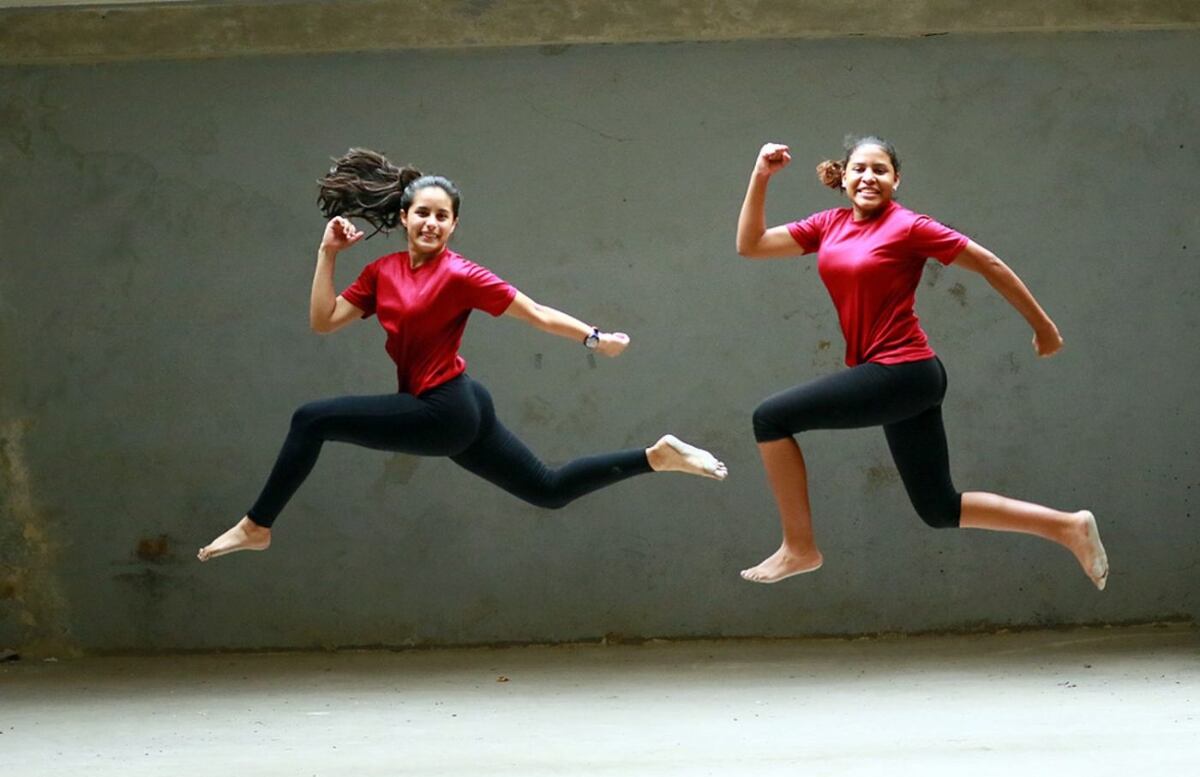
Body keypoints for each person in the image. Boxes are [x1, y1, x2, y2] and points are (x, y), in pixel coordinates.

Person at [198, 148, 726, 561]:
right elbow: (324, 320)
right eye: (422, 213)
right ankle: (656, 457)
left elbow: (535, 312)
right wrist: (327, 253)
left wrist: (594, 337)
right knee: (548, 490)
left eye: (442, 216)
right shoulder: (381, 272)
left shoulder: (461, 275)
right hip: (459, 402)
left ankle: (257, 525)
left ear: (453, 226)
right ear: (404, 217)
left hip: (445, 408)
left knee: (311, 419)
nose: (431, 222)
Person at [734, 136, 1108, 589]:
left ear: (896, 180)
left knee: (771, 418)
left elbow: (989, 263)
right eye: (859, 169)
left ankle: (799, 547)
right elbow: (751, 245)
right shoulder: (828, 225)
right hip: (904, 378)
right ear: (843, 176)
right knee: (939, 508)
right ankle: (1068, 527)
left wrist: (1043, 327)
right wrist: (761, 175)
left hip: (903, 372)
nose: (868, 177)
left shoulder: (908, 227)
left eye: (880, 170)